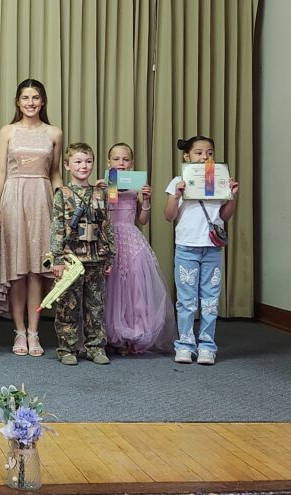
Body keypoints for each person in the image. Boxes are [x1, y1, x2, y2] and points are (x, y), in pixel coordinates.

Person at [0, 79, 62, 357]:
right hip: (13, 198)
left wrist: (62, 200)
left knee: (37, 269)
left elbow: (55, 172)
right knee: (17, 269)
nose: (30, 102)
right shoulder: (7, 131)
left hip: (42, 198)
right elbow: (0, 173)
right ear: (17, 102)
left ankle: (34, 330)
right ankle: (18, 331)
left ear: (42, 102)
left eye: (35, 97)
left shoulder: (54, 133)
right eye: (25, 98)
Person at [164, 136, 239, 366]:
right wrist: (177, 194)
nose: (204, 157)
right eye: (198, 153)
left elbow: (225, 216)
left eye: (209, 152)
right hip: (187, 246)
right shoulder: (178, 180)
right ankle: (185, 345)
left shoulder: (219, 180)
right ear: (187, 156)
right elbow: (169, 216)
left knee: (210, 300)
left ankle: (207, 346)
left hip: (212, 248)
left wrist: (233, 195)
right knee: (186, 300)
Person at [105, 143, 175, 354]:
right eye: (116, 159)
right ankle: (110, 335)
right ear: (109, 162)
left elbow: (142, 220)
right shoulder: (106, 184)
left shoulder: (136, 186)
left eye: (126, 159)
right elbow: (103, 217)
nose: (121, 163)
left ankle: (133, 335)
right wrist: (102, 192)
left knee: (135, 288)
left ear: (132, 163)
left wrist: (146, 201)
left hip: (131, 238)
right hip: (109, 238)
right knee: (110, 287)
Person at [49, 143, 115, 366]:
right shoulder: (62, 194)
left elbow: (107, 225)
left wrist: (110, 255)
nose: (83, 166)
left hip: (96, 258)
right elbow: (57, 227)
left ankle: (95, 347)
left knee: (95, 305)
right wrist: (57, 259)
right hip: (71, 260)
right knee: (68, 305)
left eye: (87, 161)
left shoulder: (100, 193)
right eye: (77, 161)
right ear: (67, 165)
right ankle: (66, 348)